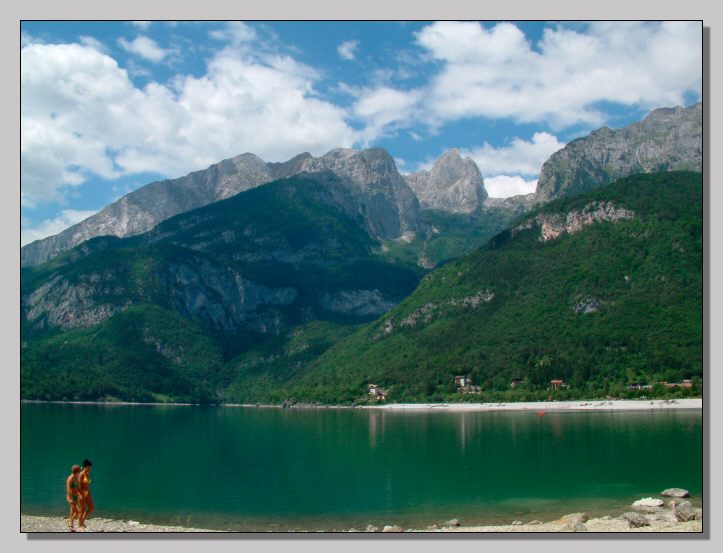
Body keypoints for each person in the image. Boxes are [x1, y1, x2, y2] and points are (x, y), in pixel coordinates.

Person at [76, 459, 94, 531]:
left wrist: (89, 493)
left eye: (90, 468)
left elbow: (87, 485)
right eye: (88, 468)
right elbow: (78, 486)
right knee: (82, 510)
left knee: (91, 508)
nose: (89, 469)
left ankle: (82, 520)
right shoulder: (81, 474)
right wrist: (80, 495)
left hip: (87, 493)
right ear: (85, 467)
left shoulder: (87, 473)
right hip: (81, 494)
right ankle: (80, 525)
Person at [65, 465, 82, 532]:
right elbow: (68, 490)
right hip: (71, 498)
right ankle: (70, 523)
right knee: (78, 511)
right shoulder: (70, 478)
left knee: (72, 512)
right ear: (77, 471)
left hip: (75, 497)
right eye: (79, 471)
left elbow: (77, 487)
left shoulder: (76, 477)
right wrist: (70, 499)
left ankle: (71, 526)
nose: (80, 472)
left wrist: (79, 494)